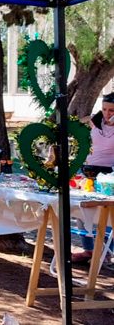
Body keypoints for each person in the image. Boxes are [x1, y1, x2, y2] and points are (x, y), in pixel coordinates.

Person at [73, 92, 114, 263]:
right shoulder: (95, 121)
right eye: (104, 109)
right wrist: (90, 118)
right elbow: (77, 124)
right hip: (89, 169)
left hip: (109, 173)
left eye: (111, 110)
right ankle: (89, 249)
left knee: (108, 212)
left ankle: (106, 252)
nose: (107, 113)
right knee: (83, 208)